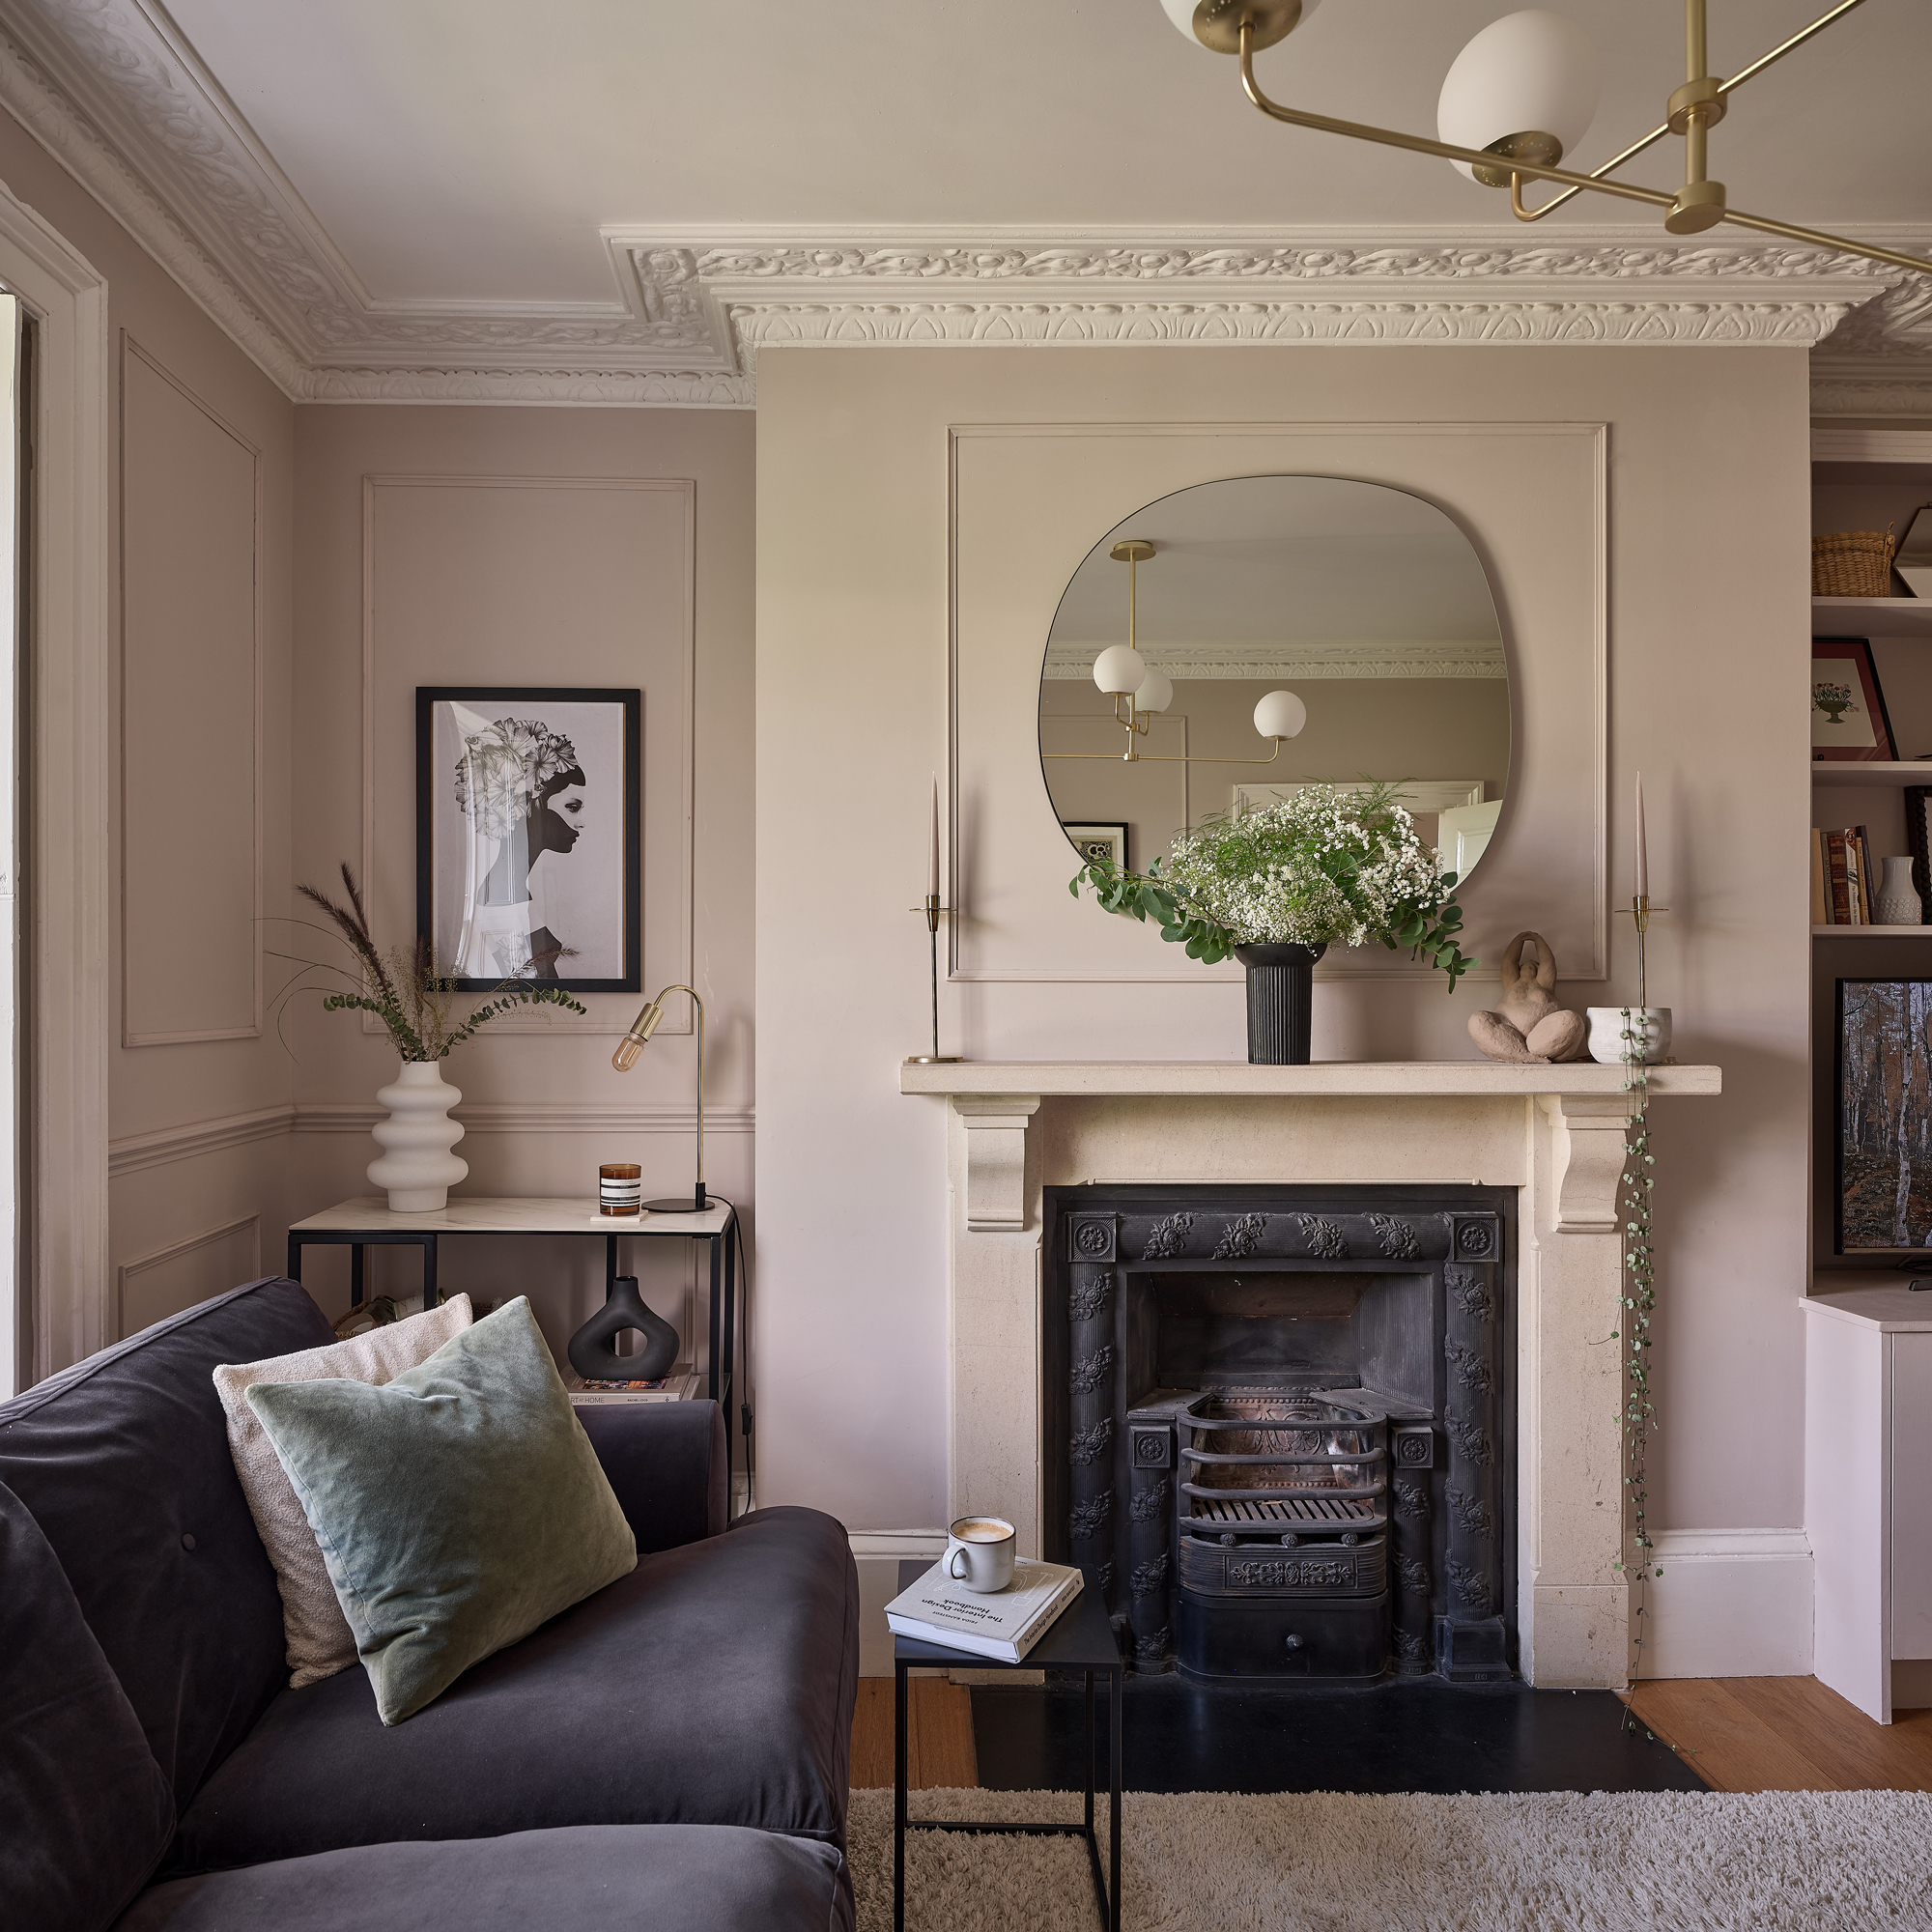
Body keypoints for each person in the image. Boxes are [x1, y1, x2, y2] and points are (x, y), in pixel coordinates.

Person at [451, 716, 585, 980]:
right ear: (529, 802)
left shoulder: (509, 889)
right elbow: (524, 990)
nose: (582, 822)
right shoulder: (500, 897)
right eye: (572, 807)